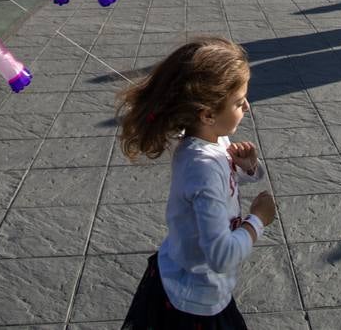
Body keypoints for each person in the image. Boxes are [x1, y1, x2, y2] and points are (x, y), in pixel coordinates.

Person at [116, 37, 275, 329]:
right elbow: (221, 256)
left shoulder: (211, 140)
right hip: (195, 300)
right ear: (208, 114)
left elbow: (223, 184)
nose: (247, 107)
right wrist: (258, 220)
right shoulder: (201, 167)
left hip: (192, 278)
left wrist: (249, 168)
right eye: (239, 103)